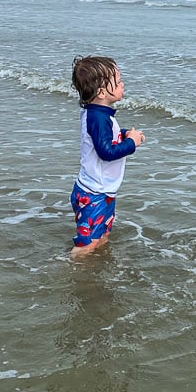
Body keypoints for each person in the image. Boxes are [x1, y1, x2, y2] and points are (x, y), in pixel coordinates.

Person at [70, 56, 145, 258]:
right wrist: (131, 143)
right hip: (94, 193)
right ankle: (69, 270)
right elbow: (106, 152)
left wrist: (124, 133)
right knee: (88, 244)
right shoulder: (98, 117)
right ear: (102, 92)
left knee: (101, 236)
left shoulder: (97, 114)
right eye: (118, 82)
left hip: (99, 191)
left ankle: (92, 268)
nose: (123, 84)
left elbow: (104, 138)